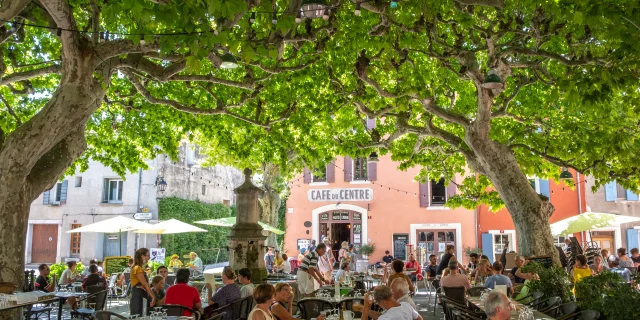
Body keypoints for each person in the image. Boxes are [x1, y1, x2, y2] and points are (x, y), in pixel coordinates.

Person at [129, 248, 155, 316]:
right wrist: (153, 296)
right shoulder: (137, 268)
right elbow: (144, 283)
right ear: (142, 256)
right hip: (138, 297)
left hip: (140, 296)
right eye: (148, 255)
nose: (149, 258)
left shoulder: (139, 268)